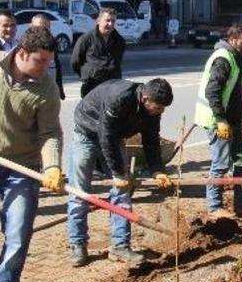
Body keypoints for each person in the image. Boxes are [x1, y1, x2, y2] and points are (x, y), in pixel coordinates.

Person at [0, 27, 64, 282]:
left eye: (49, 62)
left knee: (18, 235)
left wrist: (52, 166)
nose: (45, 67)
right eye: (40, 60)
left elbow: (50, 132)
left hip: (22, 169)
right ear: (21, 52)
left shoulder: (47, 88)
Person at [66, 78, 174, 266]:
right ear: (145, 98)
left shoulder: (152, 111)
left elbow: (151, 139)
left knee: (123, 193)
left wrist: (157, 170)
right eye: (158, 107)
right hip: (87, 131)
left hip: (113, 136)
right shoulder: (120, 98)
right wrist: (118, 173)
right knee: (80, 192)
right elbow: (105, 135)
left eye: (163, 108)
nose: (161, 111)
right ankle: (78, 244)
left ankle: (120, 246)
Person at [194, 25, 242, 219]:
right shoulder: (223, 59)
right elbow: (213, 91)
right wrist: (220, 120)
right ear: (233, 39)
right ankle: (214, 207)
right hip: (217, 120)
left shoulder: (235, 56)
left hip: (232, 120)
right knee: (220, 164)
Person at [71, 8, 126, 98]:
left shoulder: (119, 41)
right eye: (107, 20)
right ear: (98, 21)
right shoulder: (86, 39)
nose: (110, 24)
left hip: (112, 88)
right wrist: (87, 75)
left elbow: (117, 63)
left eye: (113, 21)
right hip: (91, 87)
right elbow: (75, 62)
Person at [31, 13, 66, 100]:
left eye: (46, 28)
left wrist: (60, 90)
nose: (43, 31)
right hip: (33, 94)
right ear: (31, 27)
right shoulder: (25, 46)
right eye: (39, 28)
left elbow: (57, 68)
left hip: (50, 94)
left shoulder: (51, 45)